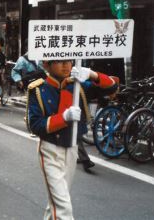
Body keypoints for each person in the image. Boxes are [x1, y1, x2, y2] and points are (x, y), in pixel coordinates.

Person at [27, 60, 117, 219]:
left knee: (57, 202)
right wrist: (64, 118)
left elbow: (112, 87)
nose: (66, 65)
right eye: (60, 61)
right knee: (63, 207)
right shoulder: (39, 89)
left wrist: (91, 74)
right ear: (47, 65)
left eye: (68, 60)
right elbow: (35, 125)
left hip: (72, 148)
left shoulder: (78, 85)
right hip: (50, 149)